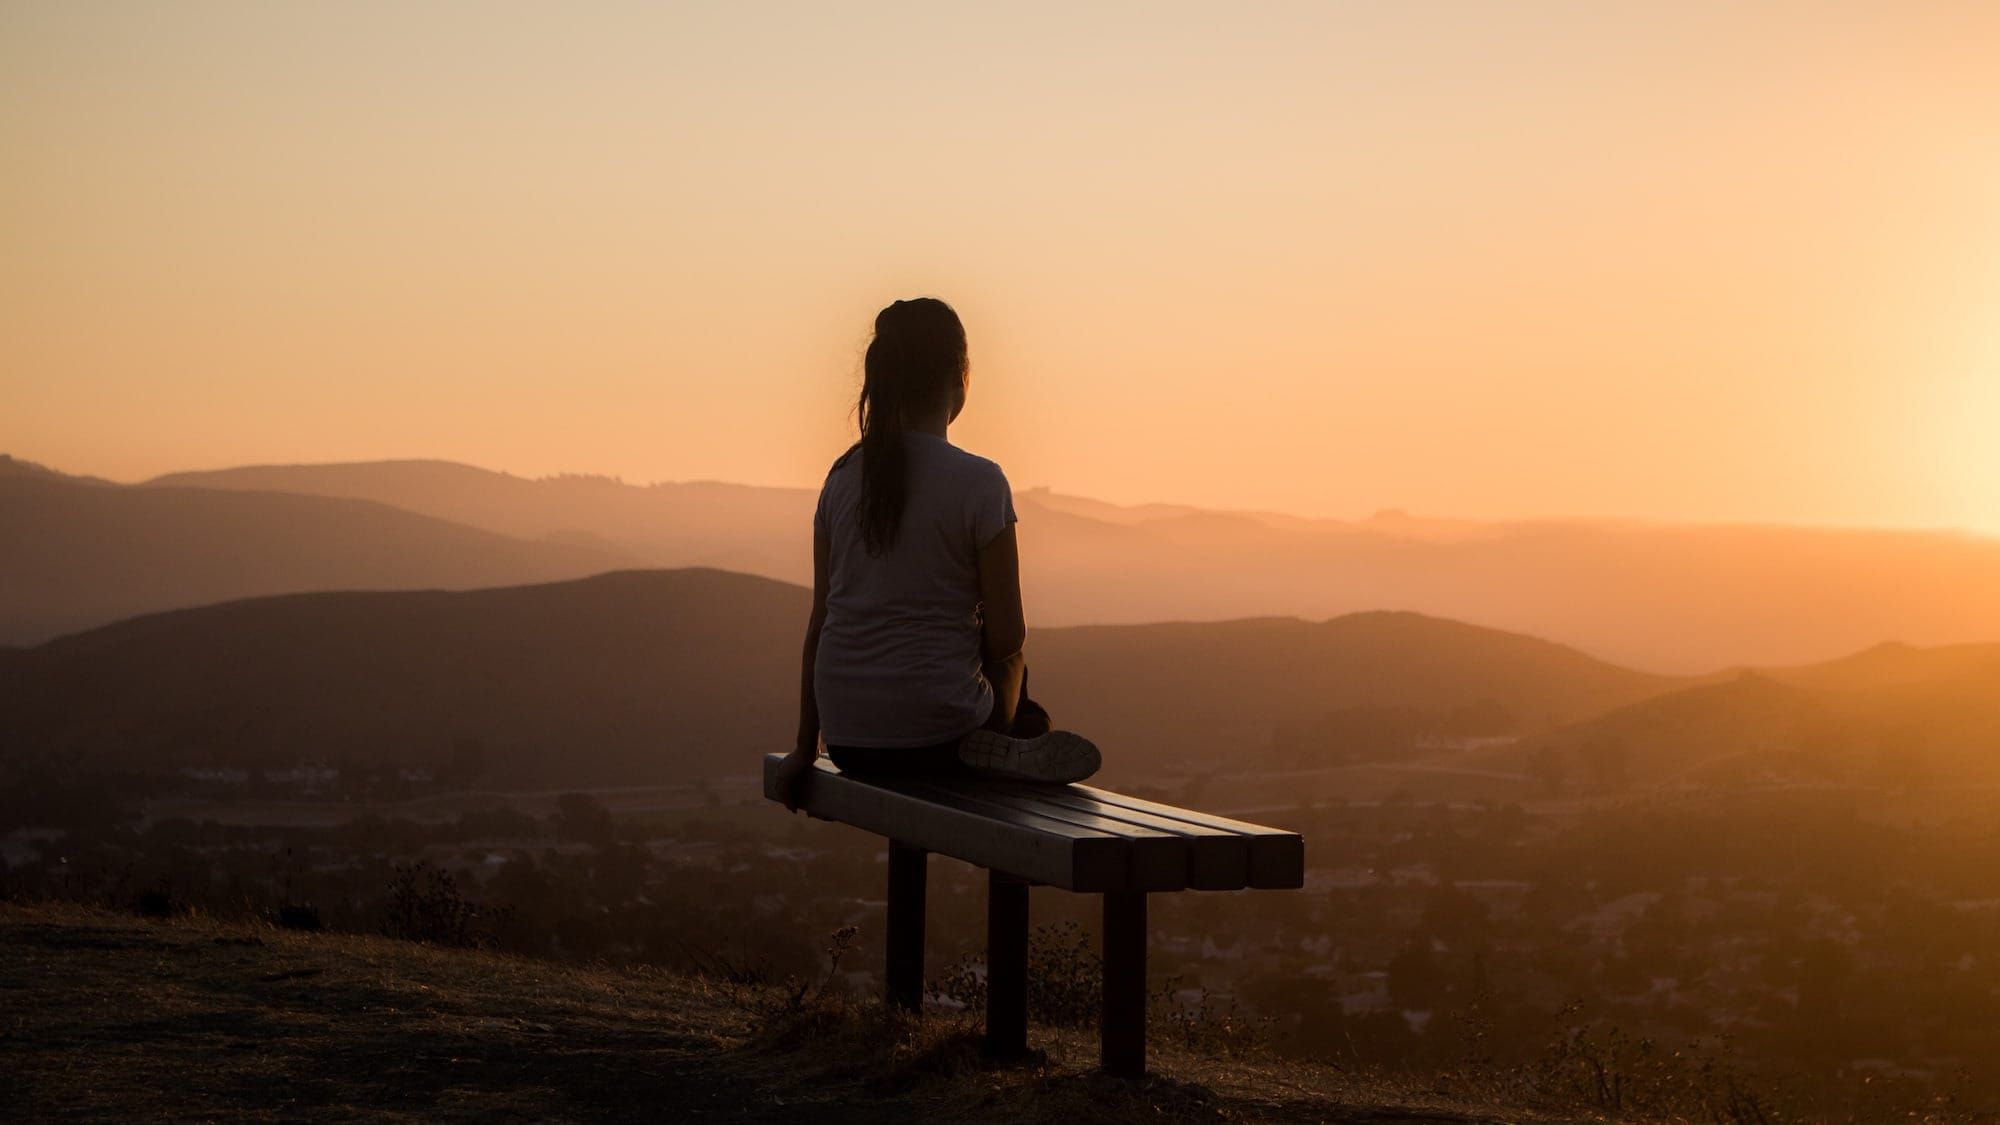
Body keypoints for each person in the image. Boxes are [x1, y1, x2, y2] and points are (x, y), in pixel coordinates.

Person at [773, 297, 1099, 810]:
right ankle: (1014, 739)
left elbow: (820, 624)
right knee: (1018, 672)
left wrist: (802, 749)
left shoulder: (840, 478)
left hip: (850, 741)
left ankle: (1007, 739)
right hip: (941, 738)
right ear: (959, 377)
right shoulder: (980, 482)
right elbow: (1008, 636)